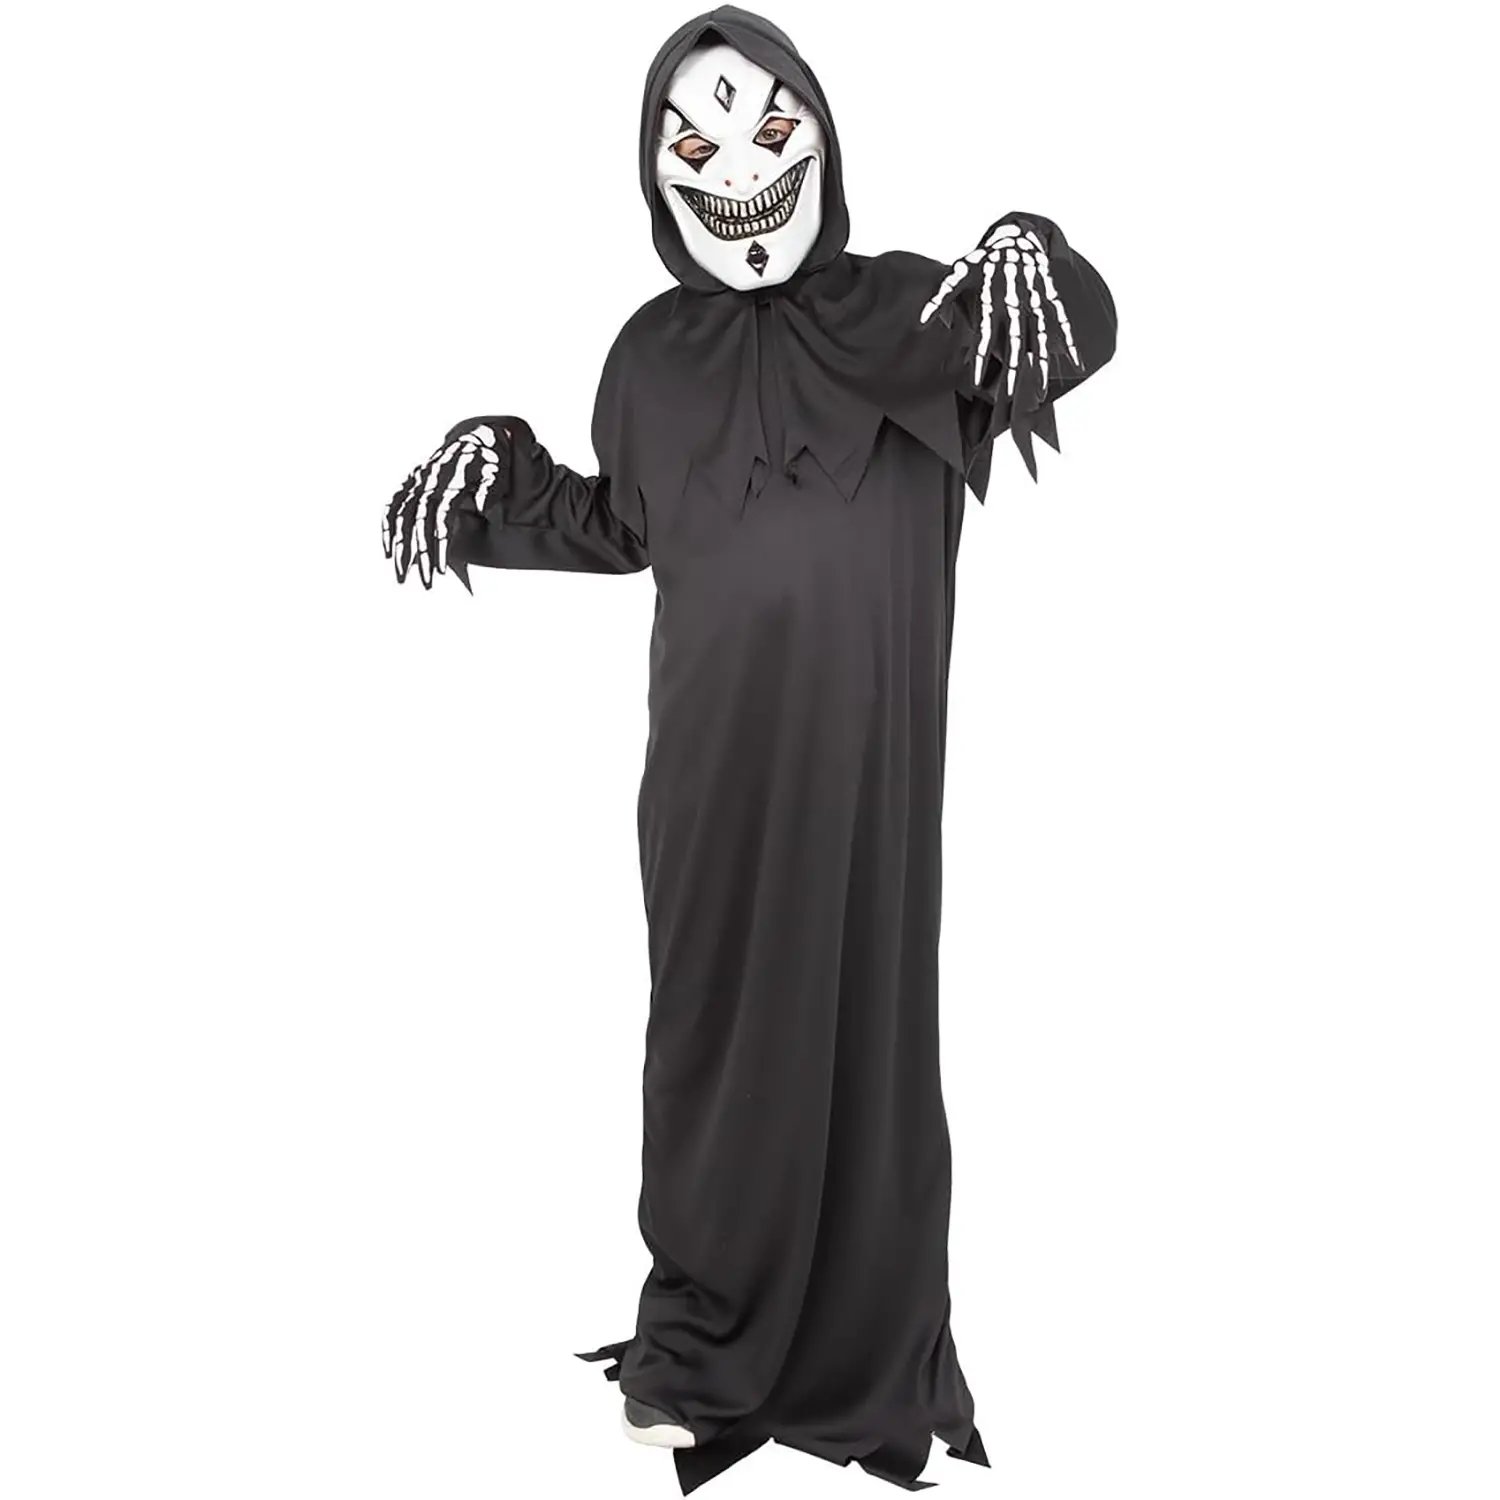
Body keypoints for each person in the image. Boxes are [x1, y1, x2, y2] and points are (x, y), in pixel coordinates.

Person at [382, 7, 1116, 1492]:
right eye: (694, 142)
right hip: (708, 778)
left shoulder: (917, 311)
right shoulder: (650, 354)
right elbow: (615, 525)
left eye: (767, 127)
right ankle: (705, 1339)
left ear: (824, 138)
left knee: (869, 1045)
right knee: (712, 1045)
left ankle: (863, 1342)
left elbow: (1073, 335)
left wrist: (1032, 248)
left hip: (872, 778)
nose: (734, 166)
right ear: (655, 182)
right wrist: (492, 466)